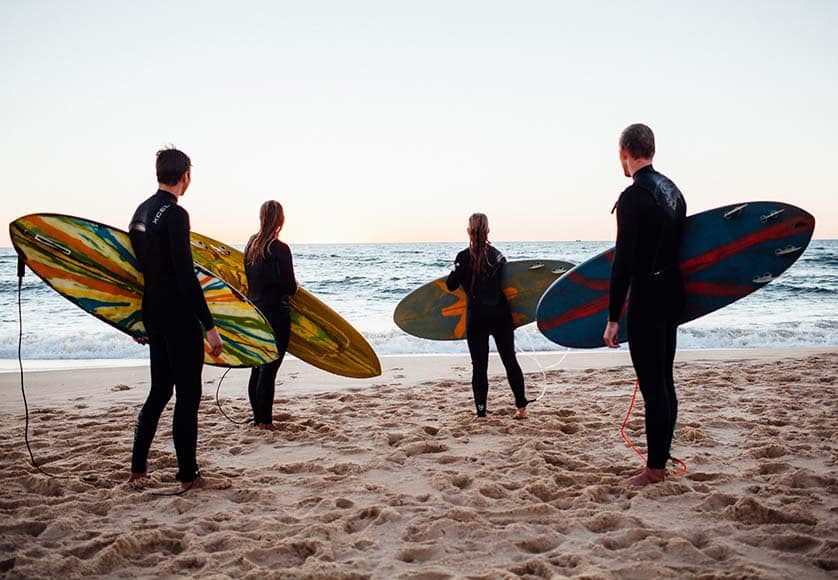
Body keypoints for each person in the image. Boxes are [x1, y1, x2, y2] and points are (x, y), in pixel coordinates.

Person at [127, 147, 223, 489]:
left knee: (159, 391)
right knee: (187, 396)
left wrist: (137, 320)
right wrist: (210, 328)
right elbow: (185, 276)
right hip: (180, 318)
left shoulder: (141, 211)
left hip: (154, 313)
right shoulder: (176, 215)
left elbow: (141, 274)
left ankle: (138, 468)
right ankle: (188, 475)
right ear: (185, 177)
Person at [603, 124, 687, 486]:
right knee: (664, 381)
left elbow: (623, 262)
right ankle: (660, 458)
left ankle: (654, 470)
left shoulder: (634, 196)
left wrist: (612, 318)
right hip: (673, 294)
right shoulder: (673, 191)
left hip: (647, 300)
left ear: (625, 152)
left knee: (653, 385)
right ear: (651, 149)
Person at [446, 213, 529, 419]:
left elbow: (451, 285)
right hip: (500, 315)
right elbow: (508, 286)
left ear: (468, 231)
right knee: (510, 360)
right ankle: (521, 408)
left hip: (477, 318)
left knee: (479, 366)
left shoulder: (462, 257)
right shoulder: (498, 256)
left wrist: (457, 270)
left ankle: (481, 412)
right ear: (488, 231)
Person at [244, 200, 298, 430]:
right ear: (281, 220)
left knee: (257, 367)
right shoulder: (279, 248)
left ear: (261, 218)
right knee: (270, 370)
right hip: (276, 314)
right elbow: (289, 287)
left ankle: (258, 418)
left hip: (255, 313)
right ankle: (265, 422)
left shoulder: (250, 246)